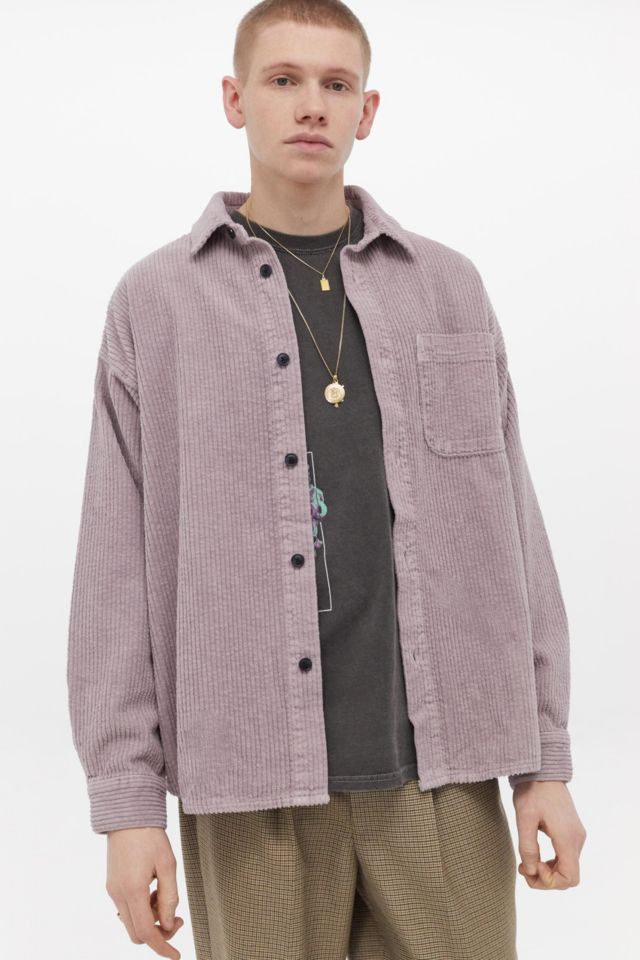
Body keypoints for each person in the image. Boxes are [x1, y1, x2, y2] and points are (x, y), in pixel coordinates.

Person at [66, 1, 587, 958]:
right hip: (248, 782)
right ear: (235, 100)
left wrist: (543, 763)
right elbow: (113, 575)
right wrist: (127, 808)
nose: (312, 105)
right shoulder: (156, 304)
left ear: (366, 110)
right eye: (284, 80)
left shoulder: (448, 288)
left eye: (336, 84)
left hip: (441, 772)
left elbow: (514, 531)